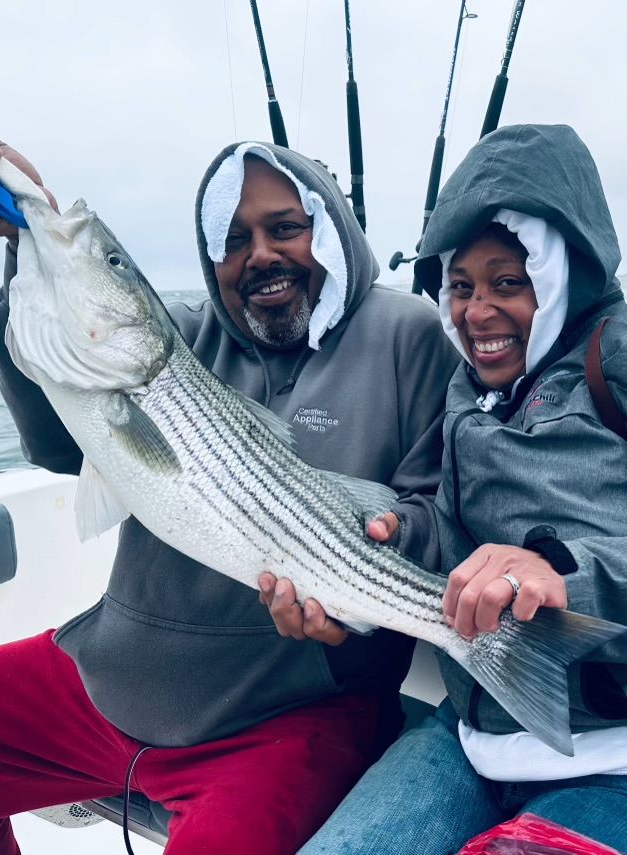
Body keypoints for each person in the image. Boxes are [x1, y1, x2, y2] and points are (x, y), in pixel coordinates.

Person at [0, 106, 457, 855]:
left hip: (288, 715)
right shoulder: (184, 335)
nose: (258, 254)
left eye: (283, 227)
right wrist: (23, 240)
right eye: (232, 240)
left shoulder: (407, 335)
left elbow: (436, 505)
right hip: (109, 677)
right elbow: (56, 441)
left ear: (327, 230)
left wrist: (386, 543)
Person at [263, 124, 627, 855]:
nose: (475, 312)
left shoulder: (612, 355)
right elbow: (443, 515)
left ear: (560, 275)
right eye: (459, 286)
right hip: (471, 733)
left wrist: (562, 578)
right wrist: (395, 534)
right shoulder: (464, 384)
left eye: (507, 282)